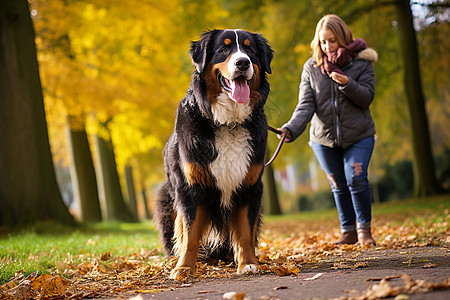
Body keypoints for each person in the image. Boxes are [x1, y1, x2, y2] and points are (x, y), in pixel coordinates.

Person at [278, 14, 378, 246]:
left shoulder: (362, 63)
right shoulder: (312, 68)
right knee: (338, 184)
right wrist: (291, 129)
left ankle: (364, 231)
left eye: (332, 41)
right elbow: (305, 105)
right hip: (323, 139)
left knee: (356, 178)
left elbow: (366, 98)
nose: (327, 46)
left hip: (359, 135)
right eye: (323, 42)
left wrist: (347, 83)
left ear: (342, 37)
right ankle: (348, 231)